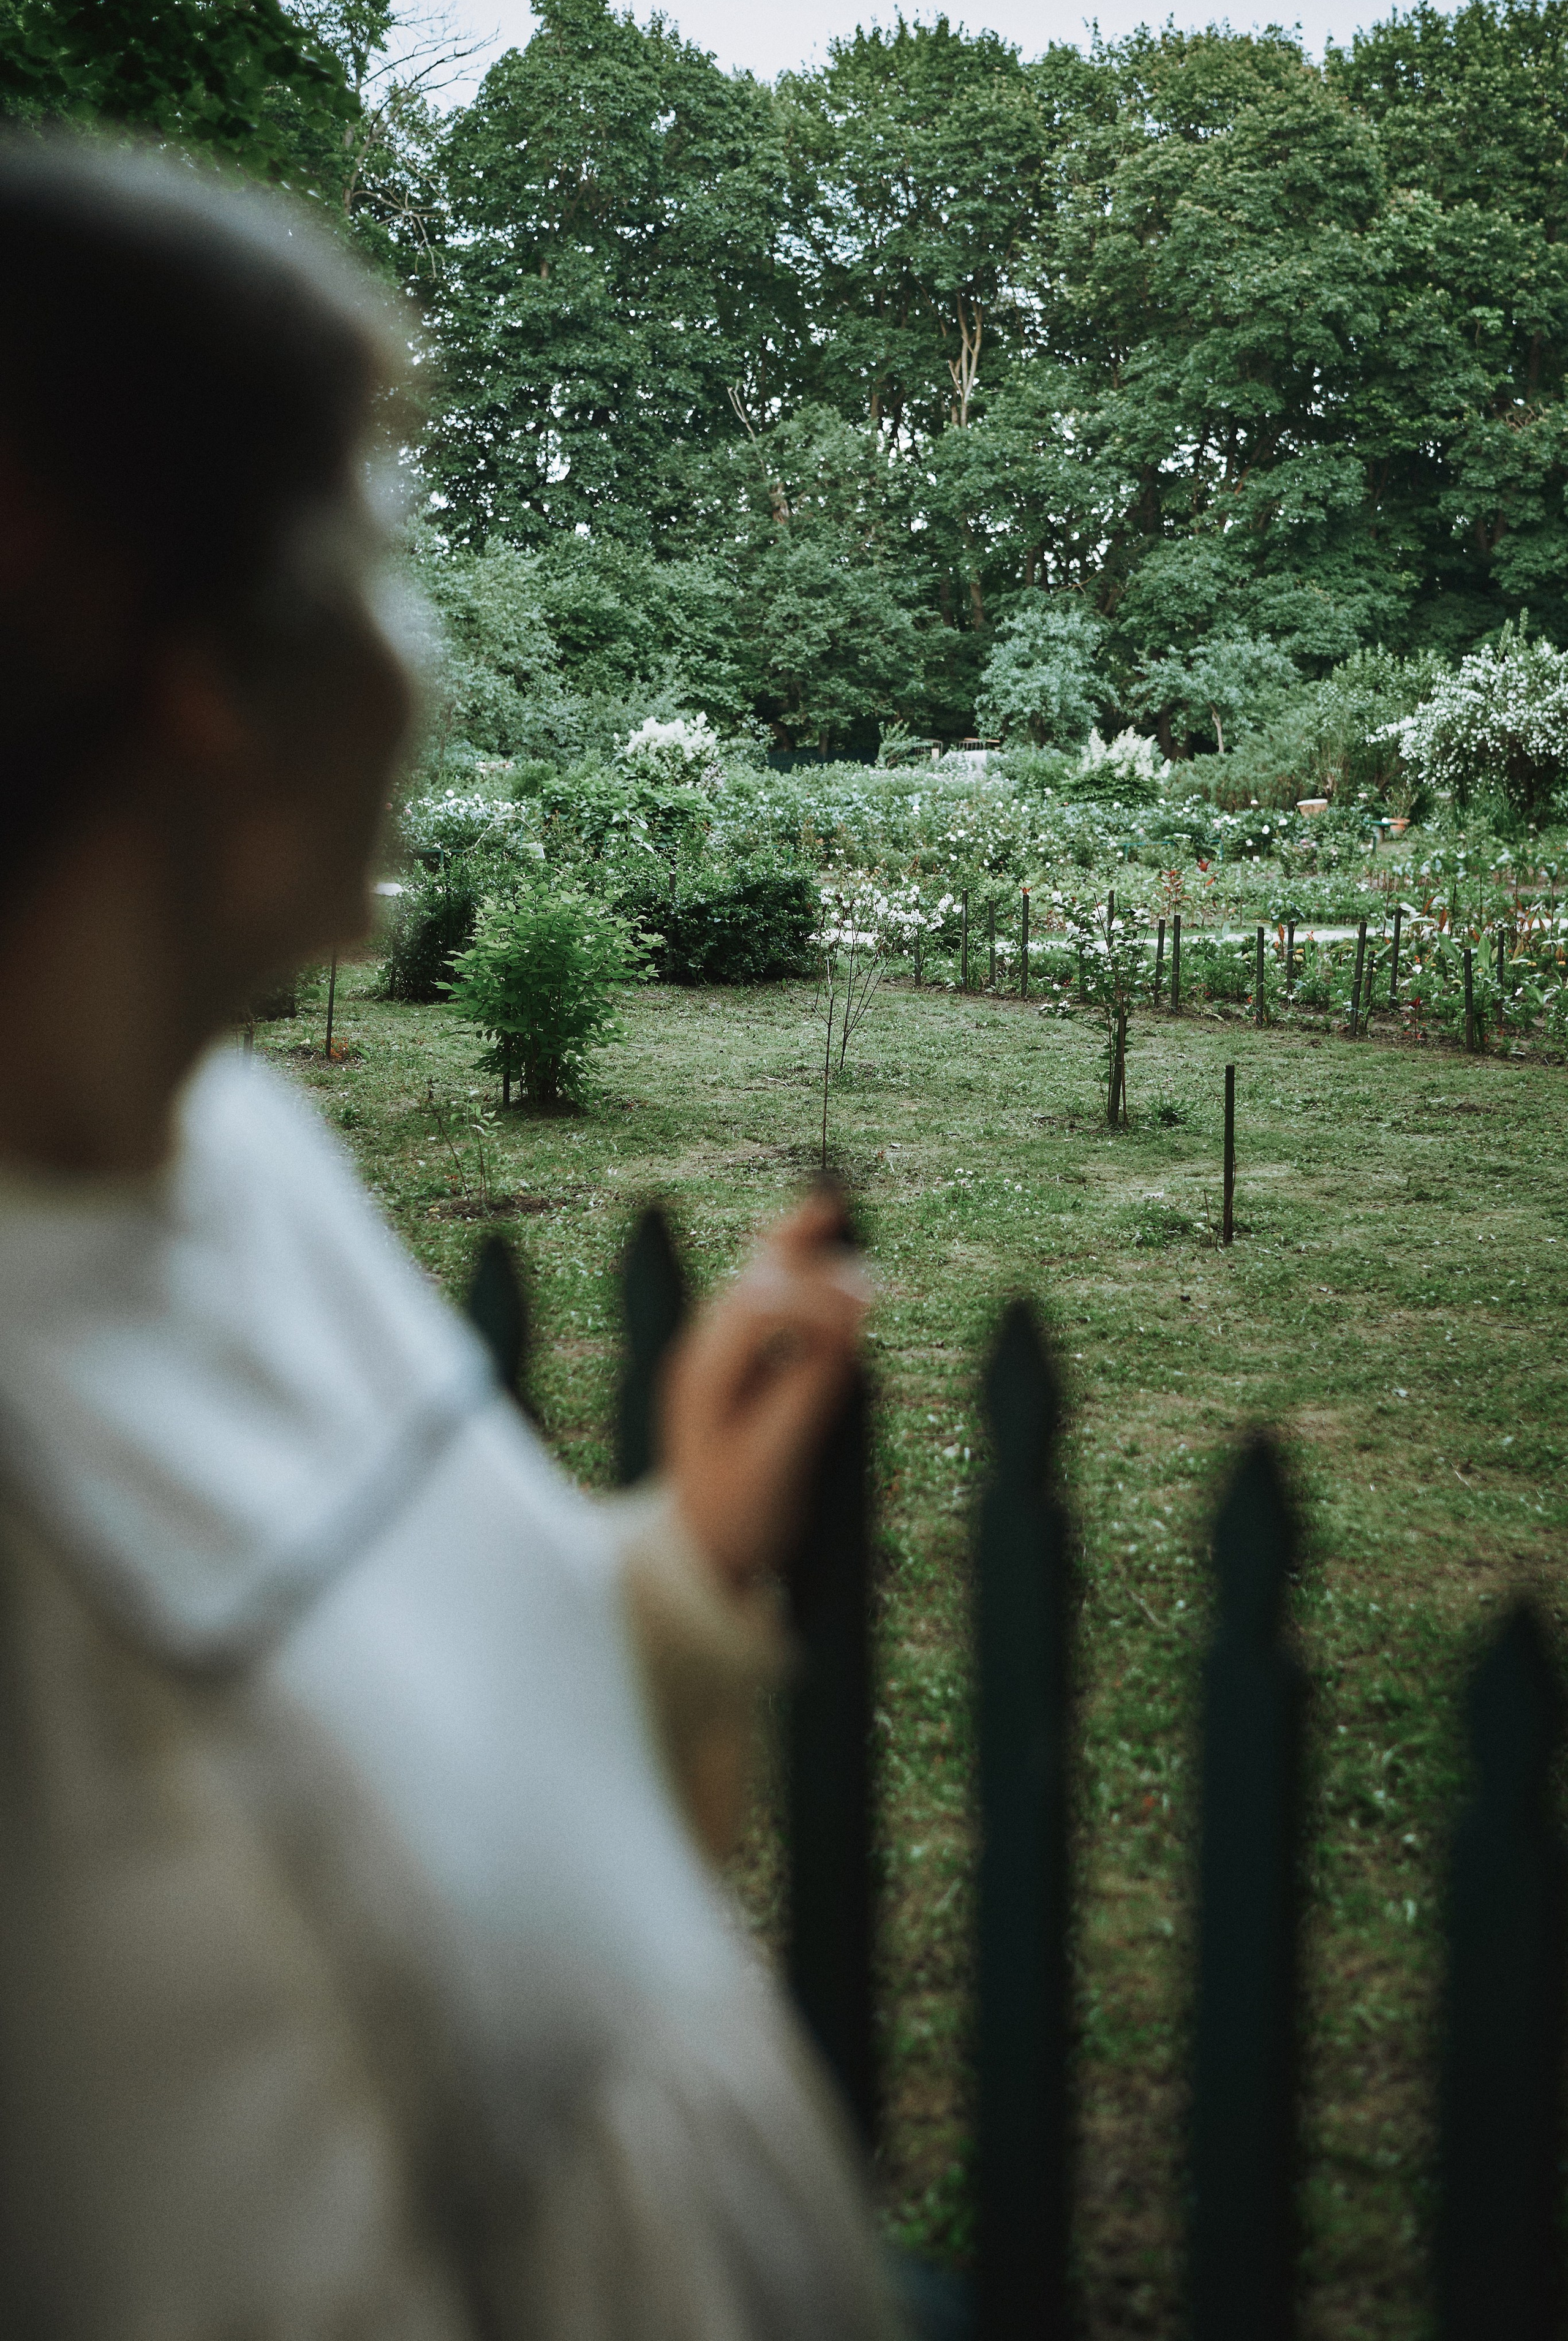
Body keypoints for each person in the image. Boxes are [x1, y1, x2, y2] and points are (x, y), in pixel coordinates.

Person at [0, 137, 897, 2339]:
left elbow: (438, 1760)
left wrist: (676, 1557)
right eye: (387, 553)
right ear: (216, 664)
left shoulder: (252, 1157)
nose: (434, 667)